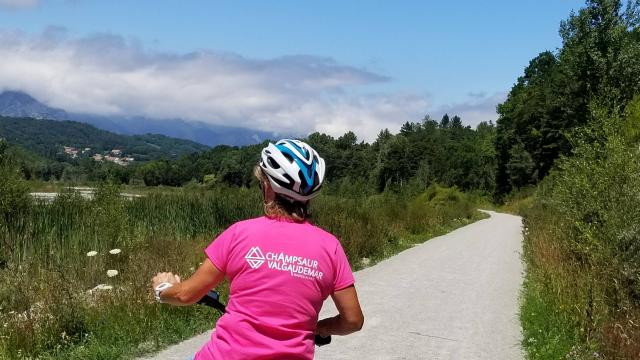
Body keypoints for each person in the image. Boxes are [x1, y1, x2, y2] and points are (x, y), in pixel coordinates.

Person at [151, 139, 364, 360]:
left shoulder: (239, 234)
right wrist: (320, 328)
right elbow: (353, 320)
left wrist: (163, 288)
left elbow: (185, 295)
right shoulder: (330, 247)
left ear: (268, 186)